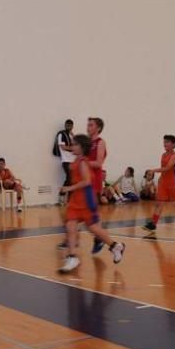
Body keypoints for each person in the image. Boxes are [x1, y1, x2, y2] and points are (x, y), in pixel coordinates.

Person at [59, 134, 125, 273]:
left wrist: (68, 188)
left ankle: (115, 246)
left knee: (94, 229)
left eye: (75, 144)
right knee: (70, 225)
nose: (72, 146)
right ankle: (72, 257)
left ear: (81, 147)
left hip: (85, 199)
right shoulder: (78, 160)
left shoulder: (83, 162)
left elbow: (87, 181)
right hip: (76, 199)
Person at [143, 135, 175, 233]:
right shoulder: (163, 155)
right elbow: (164, 170)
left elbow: (168, 168)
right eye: (164, 142)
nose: (165, 144)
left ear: (173, 144)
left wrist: (153, 170)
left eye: (167, 142)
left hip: (174, 182)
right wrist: (160, 179)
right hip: (164, 182)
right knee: (159, 203)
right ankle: (153, 224)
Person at [86, 117, 108, 253]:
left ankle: (101, 239)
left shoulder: (101, 142)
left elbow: (98, 163)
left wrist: (82, 162)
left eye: (91, 125)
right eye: (87, 125)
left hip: (94, 179)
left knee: (92, 211)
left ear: (98, 128)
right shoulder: (87, 142)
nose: (88, 127)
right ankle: (71, 238)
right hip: (85, 178)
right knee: (83, 211)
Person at [54, 119, 76, 204]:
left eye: (70, 125)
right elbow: (63, 147)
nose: (68, 127)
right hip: (66, 160)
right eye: (67, 125)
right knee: (69, 178)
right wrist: (72, 148)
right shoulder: (61, 134)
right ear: (65, 125)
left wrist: (73, 135)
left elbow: (76, 144)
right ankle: (62, 194)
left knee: (73, 180)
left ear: (72, 126)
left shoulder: (71, 135)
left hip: (73, 161)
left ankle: (70, 200)